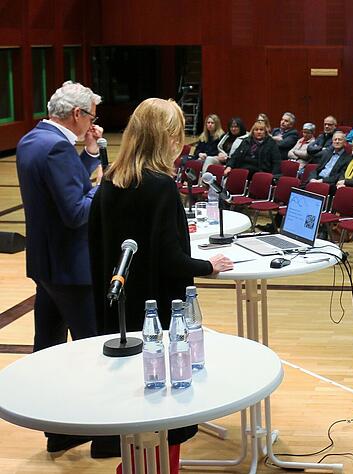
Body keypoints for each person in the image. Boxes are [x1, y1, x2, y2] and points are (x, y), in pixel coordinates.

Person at [88, 98, 234, 462]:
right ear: (166, 138)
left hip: (120, 316)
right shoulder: (161, 187)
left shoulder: (109, 183)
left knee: (132, 408)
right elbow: (171, 260)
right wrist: (208, 265)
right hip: (159, 315)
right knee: (165, 410)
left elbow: (97, 250)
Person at [16, 81, 105, 454]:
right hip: (72, 268)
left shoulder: (32, 140)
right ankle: (104, 436)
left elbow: (63, 189)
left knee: (48, 349)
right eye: (91, 117)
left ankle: (57, 432)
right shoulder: (57, 148)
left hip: (46, 264)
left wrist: (89, 154)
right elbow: (76, 211)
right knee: (94, 348)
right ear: (77, 114)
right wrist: (105, 187)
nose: (93, 125)